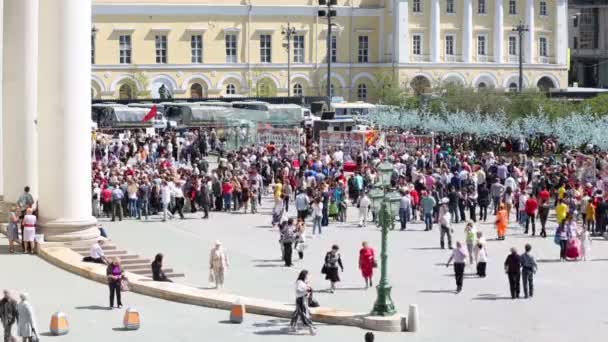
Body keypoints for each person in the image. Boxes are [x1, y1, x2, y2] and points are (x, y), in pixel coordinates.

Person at [289, 270, 316, 335]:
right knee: (304, 314)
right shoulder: (299, 282)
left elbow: (307, 290)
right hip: (301, 300)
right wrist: (307, 290)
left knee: (297, 313)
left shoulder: (304, 282)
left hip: (304, 299)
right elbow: (299, 291)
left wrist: (309, 290)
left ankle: (293, 326)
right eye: (307, 275)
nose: (308, 276)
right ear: (304, 275)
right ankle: (311, 328)